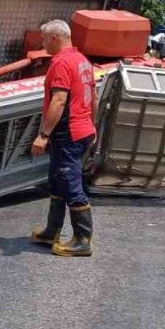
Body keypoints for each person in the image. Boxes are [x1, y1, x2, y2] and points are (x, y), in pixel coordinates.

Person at [29, 20, 97, 257]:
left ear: (55, 38)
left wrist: (43, 135)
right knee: (57, 179)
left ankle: (82, 240)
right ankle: (52, 231)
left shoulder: (60, 63)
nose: (42, 43)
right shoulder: (82, 61)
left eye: (44, 39)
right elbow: (93, 98)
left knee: (70, 183)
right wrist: (92, 125)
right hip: (82, 129)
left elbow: (59, 101)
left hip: (67, 132)